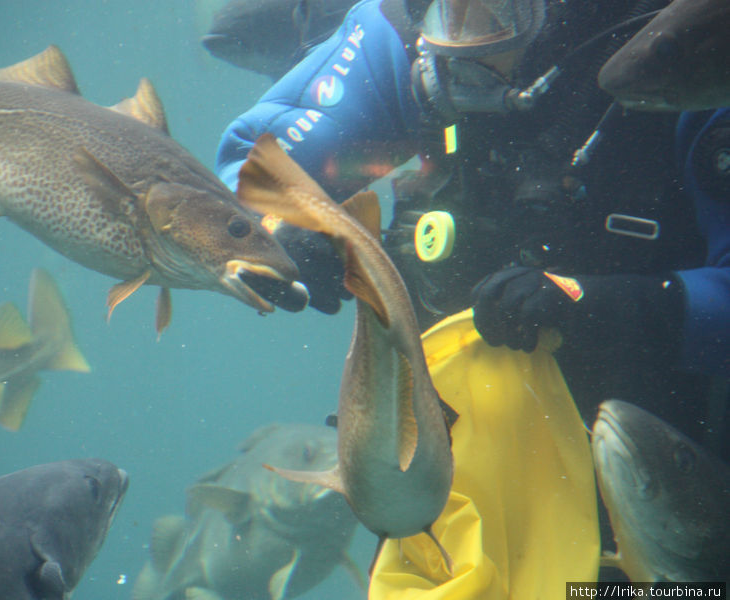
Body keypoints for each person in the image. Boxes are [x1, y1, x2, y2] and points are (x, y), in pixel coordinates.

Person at [214, 0, 729, 459]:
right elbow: (254, 166)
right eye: (446, 10)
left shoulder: (692, 52)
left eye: (494, 12)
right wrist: (284, 225)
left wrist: (616, 307)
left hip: (665, 455)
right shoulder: (401, 34)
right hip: (445, 446)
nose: (458, 40)